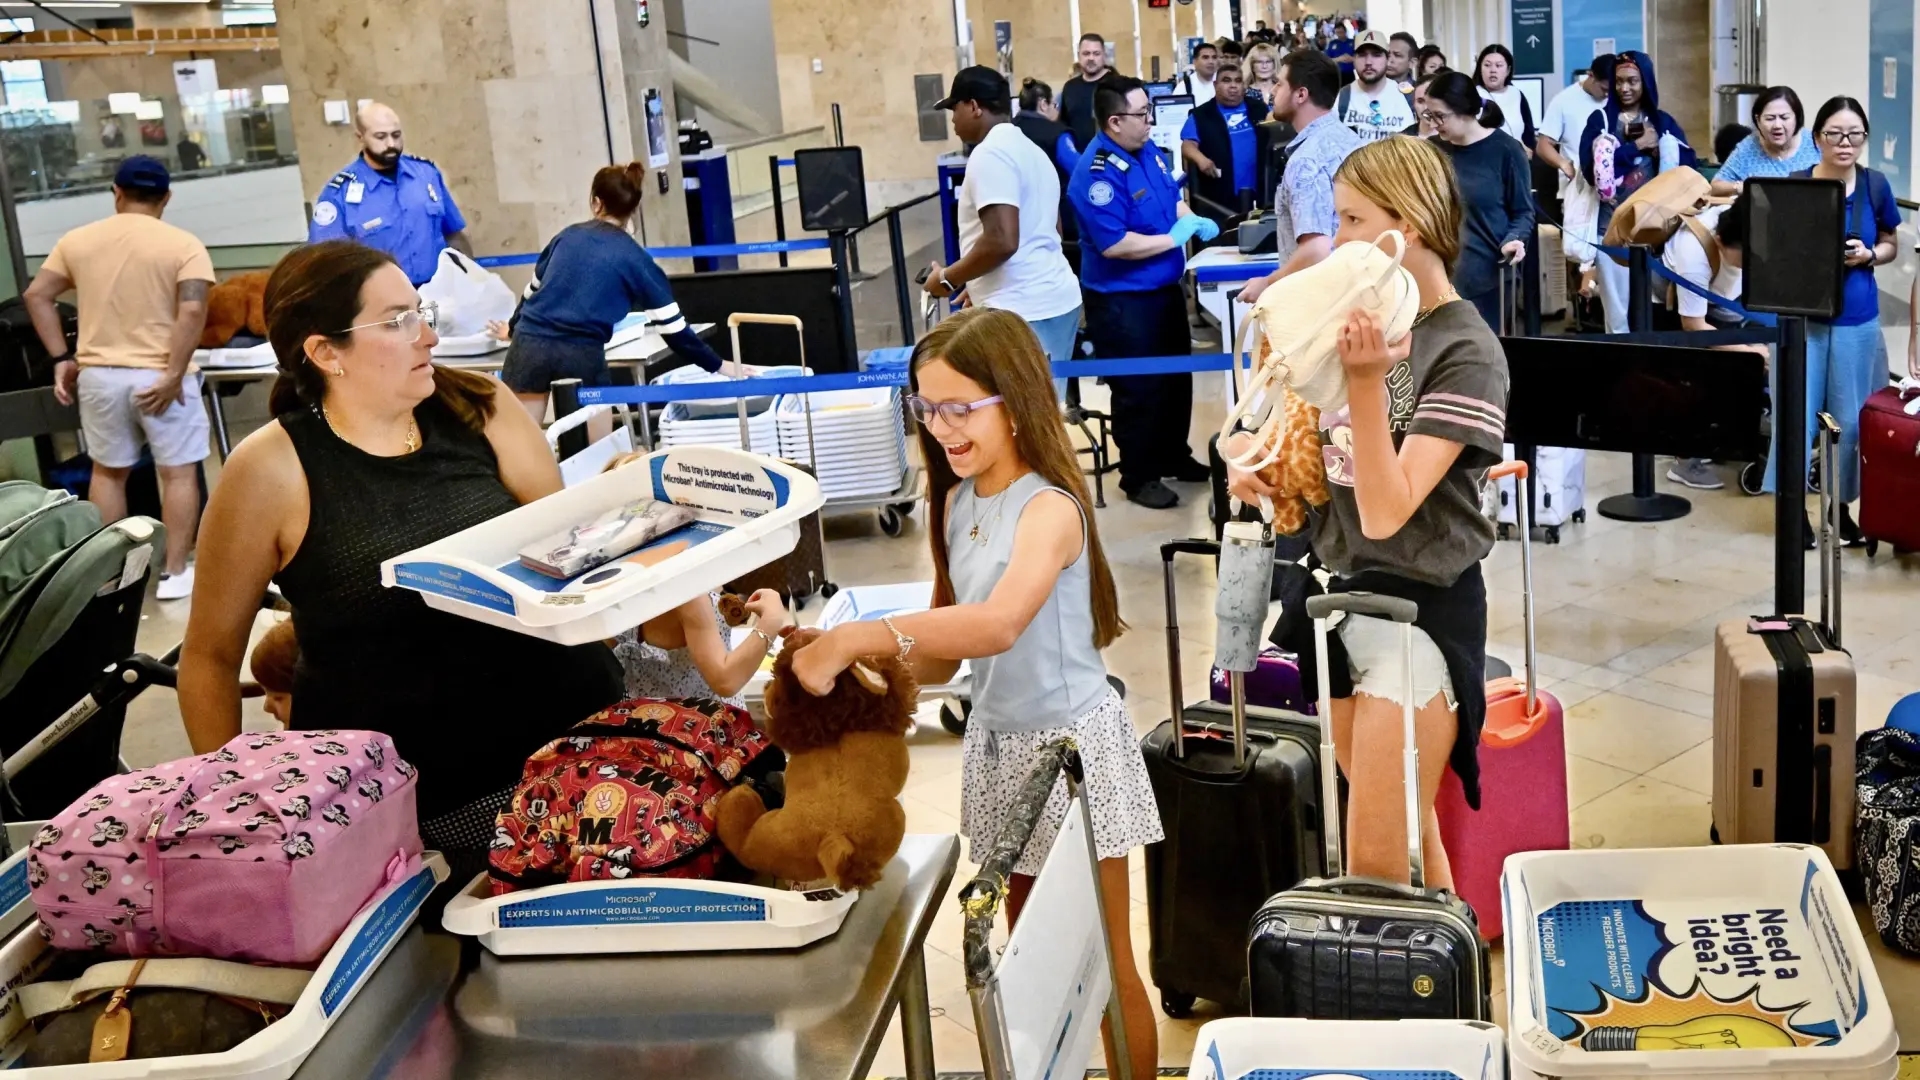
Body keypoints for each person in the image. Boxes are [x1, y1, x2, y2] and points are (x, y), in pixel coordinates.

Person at [788, 306, 1159, 1080]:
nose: (943, 428)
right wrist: (855, 666)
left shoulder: (1048, 508)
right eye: (928, 408)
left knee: (1100, 955)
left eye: (961, 408)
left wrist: (861, 636)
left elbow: (997, 625)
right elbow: (936, 655)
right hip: (998, 747)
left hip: (1071, 752)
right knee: (1031, 952)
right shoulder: (957, 502)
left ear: (1014, 400)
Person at [176, 241, 624, 878]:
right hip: (415, 818)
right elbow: (209, 658)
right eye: (398, 322)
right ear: (325, 352)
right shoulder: (270, 471)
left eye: (421, 312)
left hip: (580, 762)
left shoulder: (481, 409)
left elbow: (569, 564)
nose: (429, 337)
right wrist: (244, 820)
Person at [1224, 135, 1508, 892]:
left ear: (1405, 225)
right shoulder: (1351, 322)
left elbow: (1386, 512)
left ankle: (1412, 968)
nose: (1339, 239)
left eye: (1352, 220)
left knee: (1375, 864)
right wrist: (1252, 461)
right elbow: (1281, 433)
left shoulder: (1465, 350)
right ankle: (1452, 958)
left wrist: (1364, 383)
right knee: (1407, 834)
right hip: (1335, 602)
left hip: (1419, 616)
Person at [24, 155, 212, 602]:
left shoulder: (78, 241)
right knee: (178, 474)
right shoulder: (184, 245)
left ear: (117, 193)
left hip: (101, 378)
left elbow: (36, 295)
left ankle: (111, 578)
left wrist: (61, 357)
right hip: (161, 378)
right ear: (166, 197)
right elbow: (192, 311)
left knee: (108, 475)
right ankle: (175, 573)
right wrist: (172, 375)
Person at [1066, 75, 1216, 509]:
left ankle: (1173, 455)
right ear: (1114, 121)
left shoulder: (1145, 149)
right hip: (1123, 302)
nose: (1150, 121)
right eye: (1142, 114)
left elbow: (1171, 196)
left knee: (1175, 381)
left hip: (1164, 290)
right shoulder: (1095, 175)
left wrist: (1188, 218)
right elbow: (1115, 245)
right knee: (1139, 389)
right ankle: (1139, 475)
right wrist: (1173, 239)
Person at [1761, 97, 1898, 546]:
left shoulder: (1875, 185)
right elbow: (1773, 248)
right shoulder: (1796, 186)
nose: (1845, 142)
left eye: (1855, 134)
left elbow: (1890, 241)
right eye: (1835, 133)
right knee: (1796, 418)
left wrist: (1869, 255)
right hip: (1802, 318)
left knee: (1850, 421)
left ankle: (1840, 509)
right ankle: (1793, 510)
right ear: (1817, 137)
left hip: (1856, 319)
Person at [498, 163, 725, 419]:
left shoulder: (565, 236)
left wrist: (513, 328)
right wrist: (719, 365)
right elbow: (674, 330)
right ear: (634, 208)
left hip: (529, 344)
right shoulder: (636, 258)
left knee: (524, 439)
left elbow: (531, 292)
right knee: (596, 444)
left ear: (597, 203)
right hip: (580, 351)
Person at [929, 66, 1085, 401]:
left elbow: (1003, 240)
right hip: (1055, 300)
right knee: (1045, 410)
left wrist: (947, 279)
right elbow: (1050, 231)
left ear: (974, 106)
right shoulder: (1032, 151)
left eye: (954, 108)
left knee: (1020, 418)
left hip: (1021, 312)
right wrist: (978, 281)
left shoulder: (991, 153)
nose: (953, 119)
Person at [1580, 51, 1694, 332]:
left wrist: (1660, 150)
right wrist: (1636, 147)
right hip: (1611, 231)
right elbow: (1591, 172)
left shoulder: (1663, 122)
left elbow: (1687, 168)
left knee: (1656, 310)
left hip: (1656, 234)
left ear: (1646, 82)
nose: (1624, 88)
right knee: (1617, 316)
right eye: (1619, 81)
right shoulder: (1600, 121)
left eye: (1632, 81)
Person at [1238, 50, 1360, 304]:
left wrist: (1267, 284)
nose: (1273, 91)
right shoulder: (1352, 140)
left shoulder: (1306, 161)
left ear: (1301, 95)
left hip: (1322, 301)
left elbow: (1317, 249)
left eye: (1279, 84)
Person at [309, 101, 472, 287]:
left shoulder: (426, 174)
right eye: (380, 137)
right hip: (382, 298)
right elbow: (326, 262)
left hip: (439, 293)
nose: (391, 144)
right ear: (360, 138)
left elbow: (454, 235)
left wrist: (469, 279)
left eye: (396, 135)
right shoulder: (338, 193)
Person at [1661, 193, 1760, 491]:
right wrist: (1751, 354)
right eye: (1744, 259)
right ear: (1719, 242)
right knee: (1695, 376)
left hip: (1723, 299)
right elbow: (1694, 325)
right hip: (1676, 306)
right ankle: (1684, 461)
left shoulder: (1743, 220)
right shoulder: (1693, 253)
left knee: (1729, 371)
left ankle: (1718, 440)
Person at [1425, 73, 1533, 331]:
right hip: (1437, 279)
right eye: (1429, 115)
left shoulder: (1506, 150)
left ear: (1464, 111)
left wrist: (1513, 239)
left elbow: (1523, 212)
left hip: (1487, 280)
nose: (1434, 124)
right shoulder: (1432, 150)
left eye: (1440, 116)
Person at [1181, 61, 1270, 222]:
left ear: (1244, 86)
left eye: (1238, 81)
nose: (1233, 86)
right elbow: (1188, 145)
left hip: (1261, 193)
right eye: (1226, 81)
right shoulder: (1201, 115)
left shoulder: (1260, 109)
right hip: (1220, 198)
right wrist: (1201, 160)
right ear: (1215, 85)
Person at [1711, 86, 1818, 197]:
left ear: (1797, 118)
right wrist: (1744, 187)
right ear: (1758, 120)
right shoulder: (1747, 147)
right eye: (1770, 118)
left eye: (1784, 118)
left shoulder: (1816, 142)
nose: (1777, 125)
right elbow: (1715, 187)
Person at [1536, 58, 1610, 186]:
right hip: (1575, 184)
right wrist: (1563, 164)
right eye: (1604, 89)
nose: (1607, 94)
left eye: (1611, 90)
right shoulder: (1563, 100)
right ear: (1590, 75)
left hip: (1610, 183)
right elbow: (1543, 146)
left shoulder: (1616, 100)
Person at [1335, 29, 1416, 143]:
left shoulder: (1407, 96)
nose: (1368, 62)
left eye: (1376, 55)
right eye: (1362, 55)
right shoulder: (1342, 97)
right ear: (1354, 59)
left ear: (1387, 59)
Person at [1474, 44, 1535, 149]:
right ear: (1480, 68)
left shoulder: (1516, 93)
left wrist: (1528, 150)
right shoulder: (1473, 94)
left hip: (1517, 155)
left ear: (1508, 70)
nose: (1493, 70)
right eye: (1487, 65)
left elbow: (1528, 134)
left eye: (1499, 65)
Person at [1059, 34, 1112, 150]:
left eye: (1096, 53)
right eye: (1086, 53)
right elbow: (1064, 125)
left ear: (1104, 55)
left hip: (1111, 155)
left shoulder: (1116, 84)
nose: (1091, 58)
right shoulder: (1070, 87)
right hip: (1078, 157)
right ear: (1079, 56)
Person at [1405, 69, 1447, 136]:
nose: (1426, 107)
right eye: (1420, 101)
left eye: (1432, 100)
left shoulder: (1459, 137)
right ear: (1414, 103)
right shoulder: (1403, 137)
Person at [1179, 41, 1221, 106]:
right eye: (1205, 57)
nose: (1211, 61)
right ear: (1195, 62)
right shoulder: (1185, 86)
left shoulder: (1224, 81)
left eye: (1214, 57)